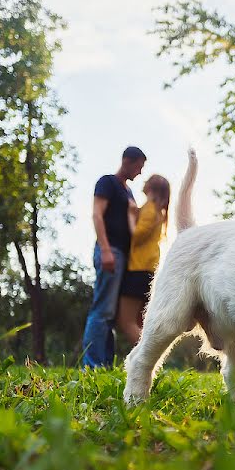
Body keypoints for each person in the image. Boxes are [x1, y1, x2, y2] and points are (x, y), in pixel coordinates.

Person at [81, 146, 146, 368]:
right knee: (103, 310)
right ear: (127, 161)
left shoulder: (128, 192)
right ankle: (92, 365)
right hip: (111, 252)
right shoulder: (107, 182)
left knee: (112, 313)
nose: (140, 172)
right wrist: (106, 249)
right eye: (139, 166)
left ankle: (105, 363)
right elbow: (97, 214)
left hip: (126, 258)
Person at [117, 174, 171, 344]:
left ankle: (144, 361)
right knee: (140, 322)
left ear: (150, 187)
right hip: (148, 269)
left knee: (126, 321)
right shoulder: (157, 211)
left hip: (139, 268)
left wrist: (131, 216)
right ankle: (146, 363)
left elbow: (137, 235)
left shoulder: (150, 208)